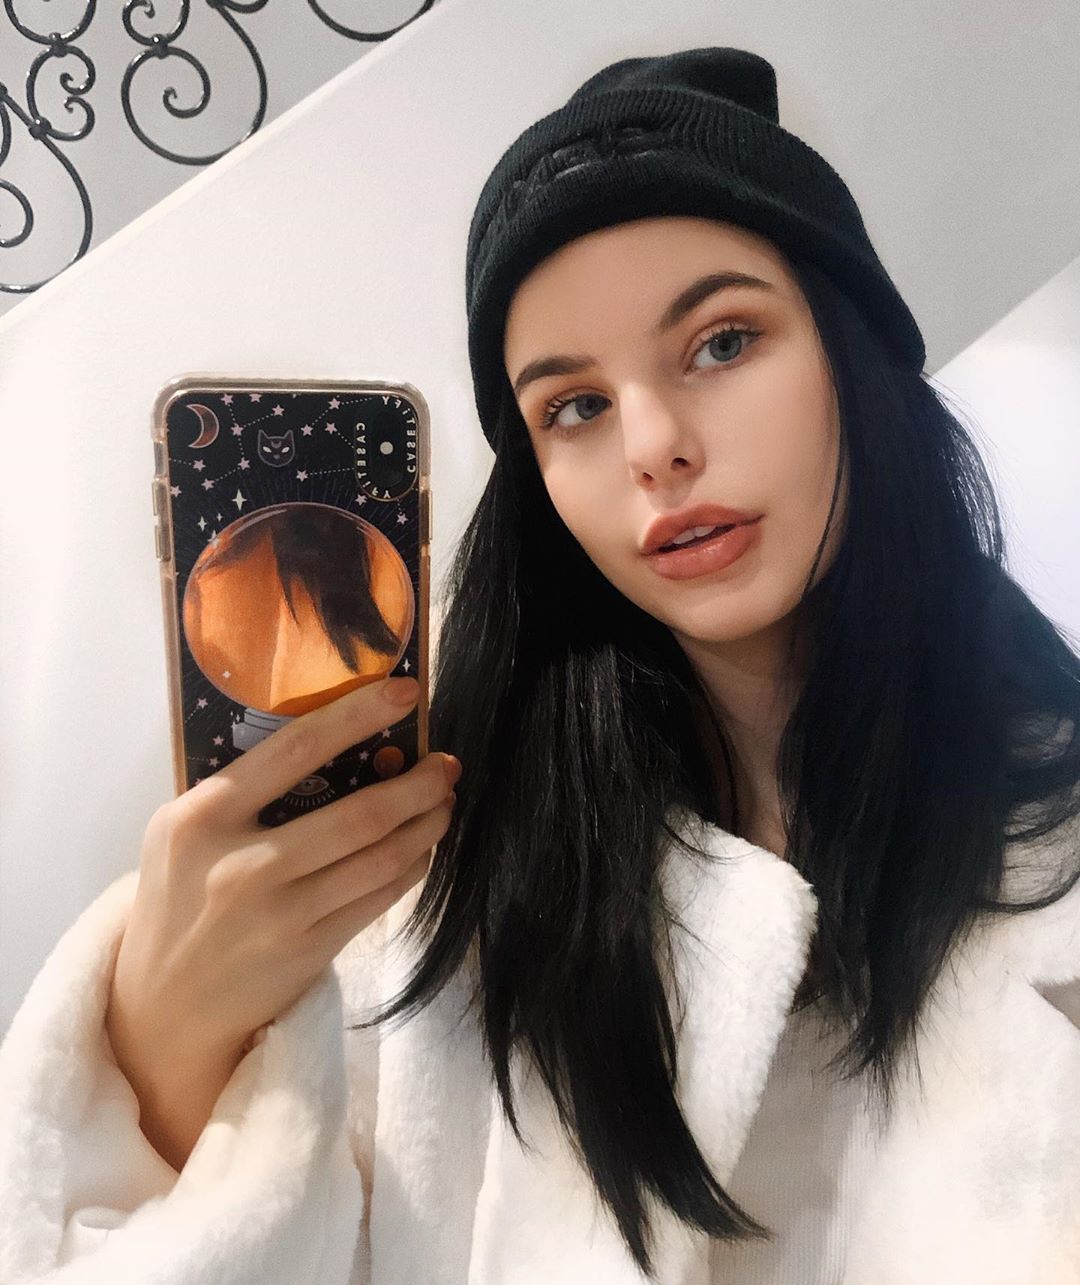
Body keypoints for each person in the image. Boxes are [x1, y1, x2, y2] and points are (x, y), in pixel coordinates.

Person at [2, 45, 1080, 1285]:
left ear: (853, 354)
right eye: (573, 406)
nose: (655, 446)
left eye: (724, 342)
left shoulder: (1050, 856)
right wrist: (163, 1054)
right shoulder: (441, 905)